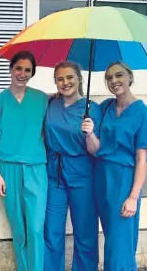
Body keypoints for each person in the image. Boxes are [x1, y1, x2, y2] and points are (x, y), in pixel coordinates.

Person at [81, 61, 147, 271]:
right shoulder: (105, 107)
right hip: (101, 178)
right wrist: (90, 133)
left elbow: (142, 159)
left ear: (130, 77)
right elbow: (96, 150)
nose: (114, 81)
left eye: (119, 75)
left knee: (120, 244)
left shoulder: (143, 113)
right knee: (110, 238)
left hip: (124, 180)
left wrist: (133, 197)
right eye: (109, 78)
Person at [0, 50, 49, 271]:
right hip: (8, 169)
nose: (22, 73)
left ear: (32, 73)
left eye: (27, 70)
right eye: (18, 68)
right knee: (19, 229)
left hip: (37, 169)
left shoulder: (42, 99)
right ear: (11, 69)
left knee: (36, 228)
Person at [43, 61, 101, 271]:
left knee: (85, 231)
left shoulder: (91, 108)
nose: (65, 82)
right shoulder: (51, 103)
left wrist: (91, 133)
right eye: (60, 79)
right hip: (54, 174)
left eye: (69, 77)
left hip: (82, 173)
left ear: (79, 79)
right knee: (52, 231)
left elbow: (96, 150)